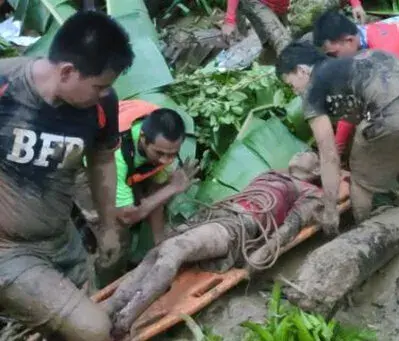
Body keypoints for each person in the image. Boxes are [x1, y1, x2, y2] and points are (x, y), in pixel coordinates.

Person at [100, 151, 349, 337]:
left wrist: (260, 256)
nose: (302, 151)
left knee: (175, 249)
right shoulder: (273, 174)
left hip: (239, 227)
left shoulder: (308, 191)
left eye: (310, 153)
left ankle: (125, 320)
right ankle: (113, 305)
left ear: (317, 171)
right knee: (158, 252)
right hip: (221, 215)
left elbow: (290, 226)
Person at [0, 11, 134, 341]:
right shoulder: (6, 88)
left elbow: (102, 160)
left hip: (62, 240)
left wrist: (107, 227)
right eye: (99, 86)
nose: (104, 94)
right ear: (67, 72)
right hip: (8, 250)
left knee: (91, 316)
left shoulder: (102, 104)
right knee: (93, 330)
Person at [276, 41, 399, 225]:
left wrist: (330, 211)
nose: (295, 90)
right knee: (392, 143)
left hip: (397, 117)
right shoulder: (354, 57)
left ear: (301, 70)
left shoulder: (313, 91)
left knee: (360, 181)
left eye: (291, 84)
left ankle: (363, 227)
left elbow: (329, 155)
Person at [75, 100, 199, 287]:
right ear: (143, 138)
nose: (166, 159)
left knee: (160, 191)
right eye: (160, 153)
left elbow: (156, 193)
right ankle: (103, 286)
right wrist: (172, 187)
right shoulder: (116, 155)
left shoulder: (164, 147)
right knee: (116, 238)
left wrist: (159, 242)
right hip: (88, 167)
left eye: (172, 154)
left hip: (132, 168)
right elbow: (126, 217)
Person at [222, 0, 366, 40]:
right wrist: (229, 20)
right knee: (279, 41)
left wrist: (356, 4)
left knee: (291, 34)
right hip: (260, 3)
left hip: (287, 5)